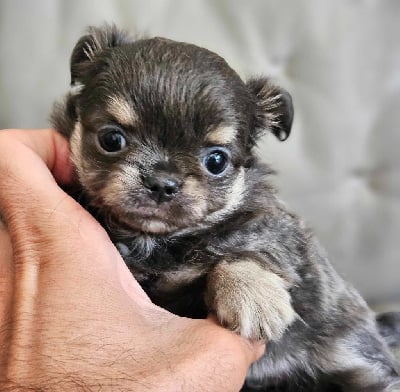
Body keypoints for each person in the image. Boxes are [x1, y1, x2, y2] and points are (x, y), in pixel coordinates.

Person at [0, 129, 265, 391]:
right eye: (114, 142)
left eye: (214, 161)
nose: (162, 184)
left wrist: (242, 269)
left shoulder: (250, 232)